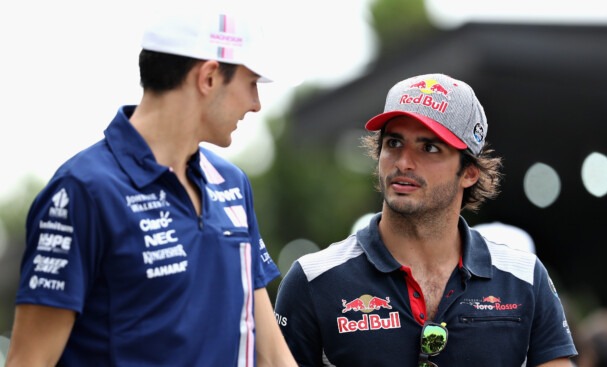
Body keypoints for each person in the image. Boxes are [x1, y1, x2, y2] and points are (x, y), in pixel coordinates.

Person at [6, 4, 296, 366]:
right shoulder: (82, 191)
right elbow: (28, 362)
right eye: (251, 83)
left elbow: (270, 354)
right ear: (208, 77)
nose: (256, 104)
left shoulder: (233, 184)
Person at [274, 73, 578, 366]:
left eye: (429, 147)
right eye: (393, 143)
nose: (404, 162)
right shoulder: (313, 280)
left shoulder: (525, 278)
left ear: (470, 172)